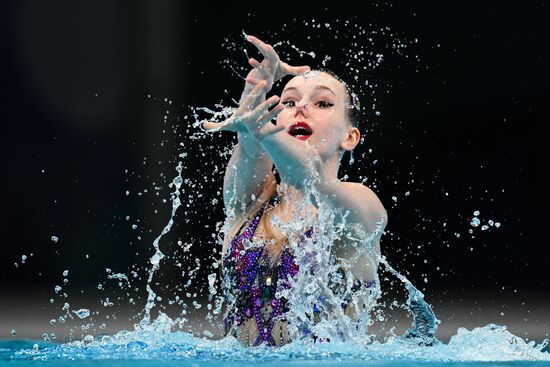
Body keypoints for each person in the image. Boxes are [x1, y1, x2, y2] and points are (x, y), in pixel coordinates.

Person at [203, 35, 388, 346]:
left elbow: (311, 177)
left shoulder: (361, 204)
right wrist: (254, 94)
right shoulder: (250, 202)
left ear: (350, 137)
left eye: (323, 103)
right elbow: (249, 151)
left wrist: (260, 129)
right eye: (288, 102)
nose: (301, 107)